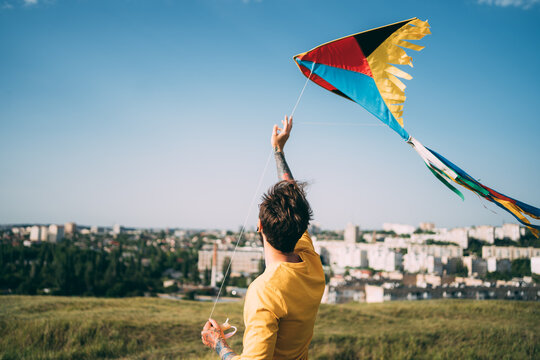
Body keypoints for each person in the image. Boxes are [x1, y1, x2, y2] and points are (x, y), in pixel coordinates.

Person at [201, 116, 325, 359]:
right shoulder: (311, 261)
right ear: (301, 227)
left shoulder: (264, 291)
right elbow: (292, 196)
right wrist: (278, 151)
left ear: (259, 226)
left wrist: (218, 344)